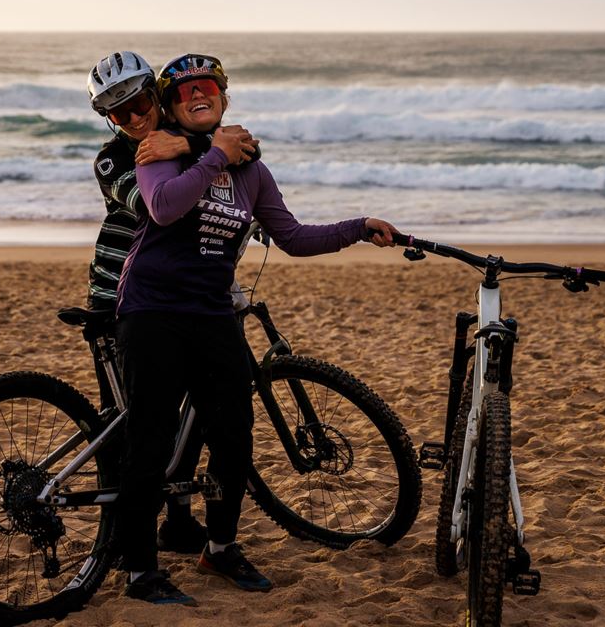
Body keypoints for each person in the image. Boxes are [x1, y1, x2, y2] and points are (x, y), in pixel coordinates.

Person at [113, 53, 397, 606]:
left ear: (223, 98)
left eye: (208, 87)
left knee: (234, 437)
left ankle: (219, 549)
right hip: (151, 311)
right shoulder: (159, 154)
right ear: (172, 106)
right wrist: (212, 154)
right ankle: (140, 571)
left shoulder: (252, 172)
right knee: (149, 440)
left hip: (213, 314)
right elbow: (164, 207)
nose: (199, 95)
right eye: (185, 90)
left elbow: (292, 236)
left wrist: (358, 227)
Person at [83, 50, 261, 559]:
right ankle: (118, 538)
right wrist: (203, 148)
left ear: (155, 96)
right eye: (121, 113)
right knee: (135, 425)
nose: (136, 118)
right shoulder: (116, 158)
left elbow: (245, 149)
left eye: (140, 103)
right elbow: (156, 208)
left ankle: (179, 524)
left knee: (199, 417)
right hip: (120, 299)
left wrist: (192, 141)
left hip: (182, 298)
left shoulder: (177, 141)